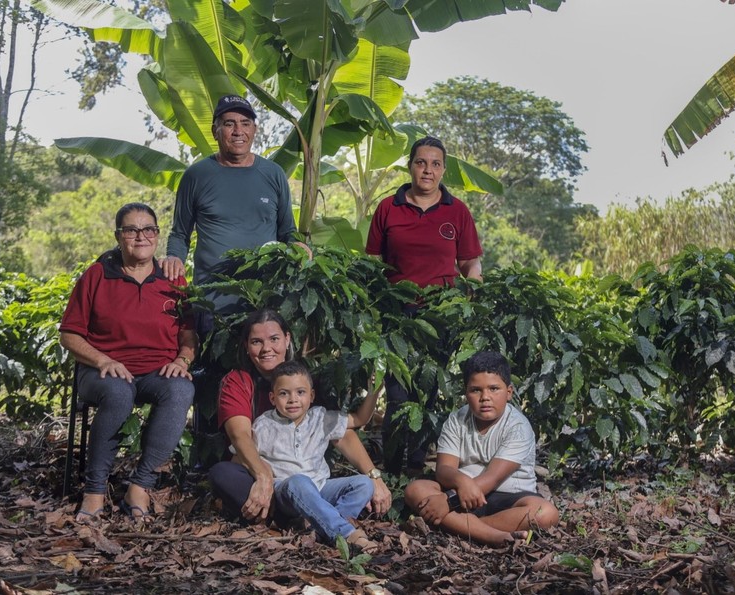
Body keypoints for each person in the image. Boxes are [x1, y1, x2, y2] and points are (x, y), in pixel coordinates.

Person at [60, 202, 197, 522]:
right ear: (119, 236)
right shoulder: (97, 275)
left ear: (156, 235)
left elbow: (189, 334)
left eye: (148, 229)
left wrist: (183, 359)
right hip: (101, 371)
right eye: (132, 230)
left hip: (155, 371)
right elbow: (69, 335)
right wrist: (102, 359)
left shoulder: (173, 279)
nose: (141, 236)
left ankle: (139, 487)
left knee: (180, 390)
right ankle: (94, 493)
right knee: (119, 392)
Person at [365, 136, 483, 474]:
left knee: (426, 396)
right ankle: (389, 471)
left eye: (435, 164)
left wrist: (473, 290)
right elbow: (373, 262)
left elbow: (470, 262)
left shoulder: (457, 210)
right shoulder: (389, 208)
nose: (427, 170)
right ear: (411, 166)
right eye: (421, 162)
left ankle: (415, 471)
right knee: (398, 396)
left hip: (439, 318)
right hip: (397, 318)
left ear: (443, 169)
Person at [207, 309, 392, 525]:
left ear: (287, 340)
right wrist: (263, 476)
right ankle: (306, 516)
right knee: (222, 474)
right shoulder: (239, 381)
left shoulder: (303, 380)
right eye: (256, 342)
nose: (267, 348)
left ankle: (316, 517)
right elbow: (240, 437)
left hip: (308, 480)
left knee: (343, 486)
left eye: (274, 339)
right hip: (264, 475)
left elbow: (339, 430)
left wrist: (373, 476)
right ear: (247, 347)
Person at [163, 94, 305, 323]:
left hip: (264, 302)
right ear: (215, 131)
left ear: (254, 129)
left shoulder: (273, 174)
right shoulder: (196, 176)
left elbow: (287, 231)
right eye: (229, 124)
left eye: (245, 123)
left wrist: (298, 246)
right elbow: (180, 233)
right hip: (211, 303)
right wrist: (173, 258)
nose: (238, 131)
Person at [403, 352, 559, 546]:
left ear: (509, 392)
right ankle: (492, 535)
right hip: (461, 495)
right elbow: (444, 470)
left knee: (546, 513)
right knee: (415, 489)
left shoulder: (518, 427)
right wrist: (461, 482)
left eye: (494, 389)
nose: (485, 397)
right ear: (466, 392)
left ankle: (461, 526)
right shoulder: (457, 420)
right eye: (476, 390)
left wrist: (446, 503)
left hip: (508, 499)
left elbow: (492, 479)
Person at [249, 361, 381, 551]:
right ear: (272, 398)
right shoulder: (263, 425)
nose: (293, 399)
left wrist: (374, 391)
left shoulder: (321, 418)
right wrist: (261, 475)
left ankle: (323, 526)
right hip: (286, 491)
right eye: (284, 393)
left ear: (311, 396)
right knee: (299, 482)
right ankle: (345, 534)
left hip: (321, 488)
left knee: (364, 484)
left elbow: (360, 419)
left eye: (300, 392)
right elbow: (243, 458)